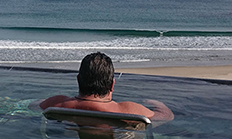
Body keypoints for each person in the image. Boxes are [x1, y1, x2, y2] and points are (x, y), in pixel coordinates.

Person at [30, 52, 174, 121]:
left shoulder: (56, 103)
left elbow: (33, 105)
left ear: (78, 80)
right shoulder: (129, 110)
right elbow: (166, 117)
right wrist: (158, 104)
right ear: (112, 84)